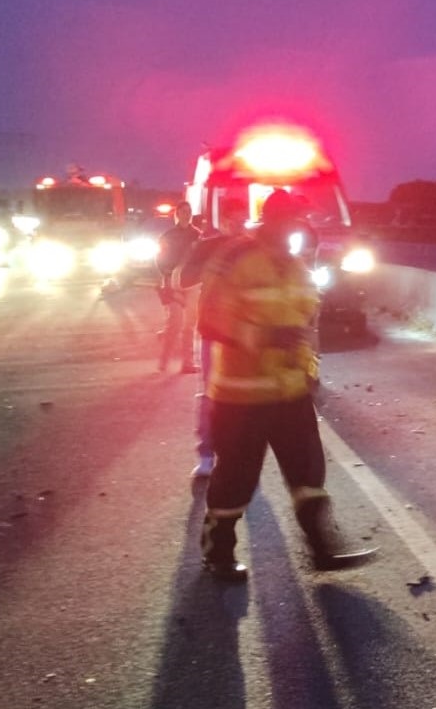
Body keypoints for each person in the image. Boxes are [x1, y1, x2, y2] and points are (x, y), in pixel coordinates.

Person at [197, 189, 372, 581]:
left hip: (290, 393)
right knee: (236, 479)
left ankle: (322, 548)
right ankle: (218, 552)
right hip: (240, 397)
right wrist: (266, 338)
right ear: (273, 219)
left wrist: (310, 375)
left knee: (308, 473)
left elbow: (303, 328)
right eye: (293, 218)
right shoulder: (235, 259)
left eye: (302, 218)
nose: (300, 225)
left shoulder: (297, 267)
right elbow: (209, 319)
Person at [178, 201, 248, 478]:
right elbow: (184, 278)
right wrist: (211, 264)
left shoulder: (252, 248)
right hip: (213, 329)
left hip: (244, 333)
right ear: (224, 220)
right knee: (210, 394)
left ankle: (237, 452)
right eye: (234, 218)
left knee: (242, 396)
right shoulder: (207, 245)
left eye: (243, 219)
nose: (238, 224)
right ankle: (206, 453)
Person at [154, 201, 201, 373]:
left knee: (189, 325)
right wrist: (168, 277)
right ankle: (164, 361)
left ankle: (187, 363)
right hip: (173, 283)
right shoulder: (168, 235)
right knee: (175, 322)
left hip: (191, 284)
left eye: (189, 211)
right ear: (177, 214)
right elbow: (160, 259)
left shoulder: (198, 235)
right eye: (183, 211)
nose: (186, 214)